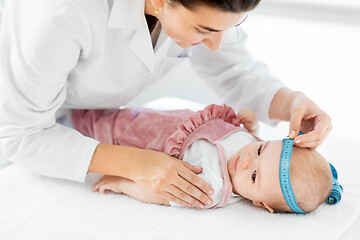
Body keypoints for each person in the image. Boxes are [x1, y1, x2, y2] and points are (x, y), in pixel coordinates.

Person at [0, 0, 332, 210]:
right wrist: (135, 165)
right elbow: (19, 134)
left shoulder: (203, 8)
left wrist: (291, 102)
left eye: (231, 26)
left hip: (87, 114)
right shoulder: (58, 10)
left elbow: (234, 66)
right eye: (203, 30)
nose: (215, 43)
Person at [72, 105, 333, 212]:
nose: (245, 161)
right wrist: (248, 128)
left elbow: (163, 193)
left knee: (96, 127)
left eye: (254, 176)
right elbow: (244, 140)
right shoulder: (251, 149)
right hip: (157, 119)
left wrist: (122, 184)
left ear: (260, 203)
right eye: (260, 150)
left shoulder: (213, 188)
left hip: (140, 140)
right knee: (110, 110)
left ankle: (70, 117)